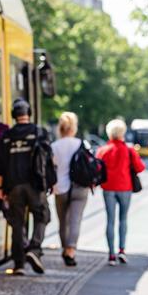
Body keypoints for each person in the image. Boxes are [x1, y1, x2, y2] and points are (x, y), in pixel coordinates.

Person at [0, 99, 49, 276]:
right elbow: (48, 160)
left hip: (13, 186)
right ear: (29, 113)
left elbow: (1, 165)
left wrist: (1, 189)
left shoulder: (7, 136)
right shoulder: (39, 133)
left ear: (14, 115)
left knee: (17, 223)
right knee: (42, 216)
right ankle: (34, 248)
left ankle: (19, 264)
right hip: (34, 185)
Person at [97, 119, 145, 265]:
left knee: (110, 220)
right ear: (123, 132)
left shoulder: (103, 150)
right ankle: (122, 250)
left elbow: (97, 169)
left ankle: (111, 255)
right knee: (123, 219)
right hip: (125, 187)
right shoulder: (129, 150)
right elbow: (140, 168)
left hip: (108, 188)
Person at [51, 112, 89, 267]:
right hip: (80, 187)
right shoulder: (82, 144)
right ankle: (71, 250)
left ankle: (65, 248)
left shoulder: (54, 146)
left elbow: (52, 167)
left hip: (60, 188)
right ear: (74, 128)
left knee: (63, 222)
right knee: (75, 220)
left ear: (60, 128)